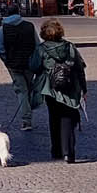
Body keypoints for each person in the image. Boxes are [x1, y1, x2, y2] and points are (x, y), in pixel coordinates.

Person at [36, 18, 87, 161]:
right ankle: (69, 152)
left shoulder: (41, 48)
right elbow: (80, 68)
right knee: (68, 118)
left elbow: (34, 66)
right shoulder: (69, 47)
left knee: (54, 117)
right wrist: (84, 88)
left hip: (50, 88)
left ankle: (56, 150)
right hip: (70, 87)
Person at [0, 7, 40, 132]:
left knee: (22, 91)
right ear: (19, 13)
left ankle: (26, 120)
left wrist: (7, 61)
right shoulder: (29, 26)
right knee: (28, 89)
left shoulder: (4, 28)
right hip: (29, 63)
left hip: (14, 65)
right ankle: (29, 111)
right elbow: (38, 45)